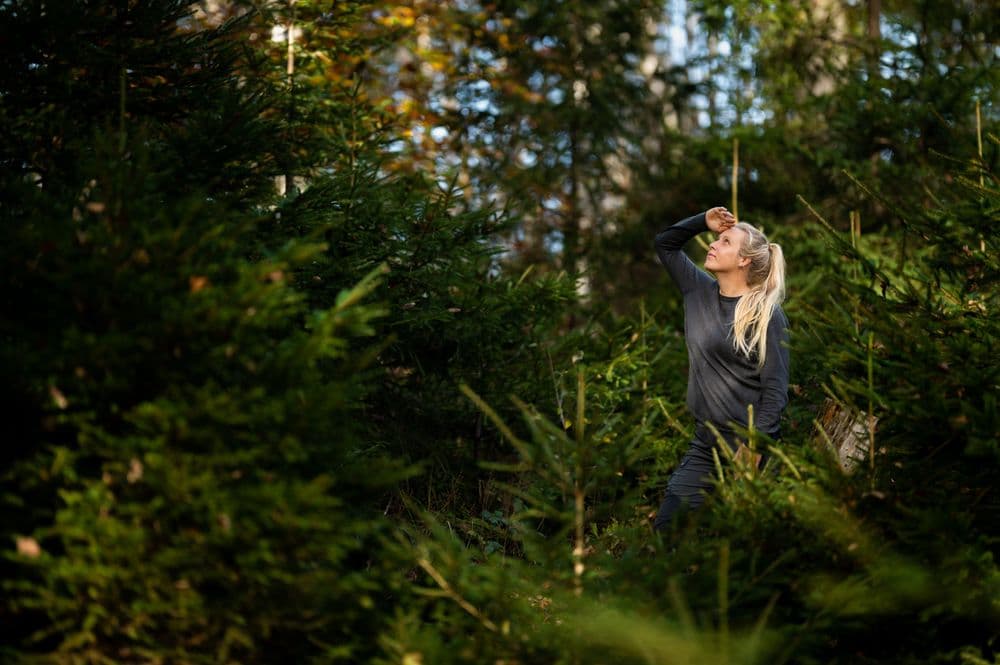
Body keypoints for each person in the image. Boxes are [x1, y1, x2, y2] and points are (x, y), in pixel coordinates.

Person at [652, 206, 790, 531]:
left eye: (725, 242)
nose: (712, 244)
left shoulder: (767, 315)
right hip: (706, 443)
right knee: (667, 530)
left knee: (745, 543)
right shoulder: (697, 291)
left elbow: (775, 389)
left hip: (750, 447)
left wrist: (754, 447)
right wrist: (703, 221)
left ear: (744, 260)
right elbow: (665, 243)